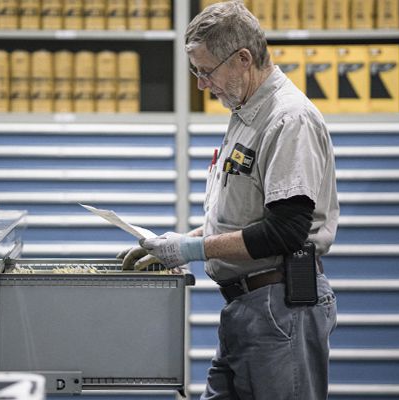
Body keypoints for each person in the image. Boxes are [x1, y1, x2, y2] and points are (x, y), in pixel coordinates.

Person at [117, 1, 339, 398]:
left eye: (206, 72)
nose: (202, 84)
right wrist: (180, 242)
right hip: (246, 311)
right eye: (195, 72)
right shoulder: (247, 112)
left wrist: (190, 247)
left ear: (242, 58)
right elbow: (247, 214)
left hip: (280, 311)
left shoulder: (289, 119)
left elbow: (285, 231)